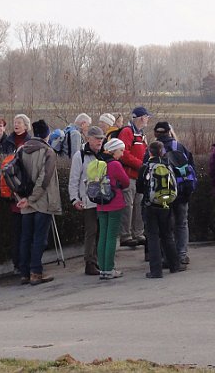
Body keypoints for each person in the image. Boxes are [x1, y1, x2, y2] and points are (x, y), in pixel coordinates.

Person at [16, 119, 61, 285]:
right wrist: (32, 199)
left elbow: (15, 176)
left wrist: (23, 199)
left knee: (25, 237)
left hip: (25, 202)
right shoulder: (48, 151)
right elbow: (45, 178)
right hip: (42, 201)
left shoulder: (21, 150)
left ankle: (24, 273)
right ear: (47, 134)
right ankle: (36, 272)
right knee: (39, 238)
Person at [151, 121, 195, 265]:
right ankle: (182, 254)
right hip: (181, 191)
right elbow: (191, 166)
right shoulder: (179, 146)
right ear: (170, 131)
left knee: (164, 225)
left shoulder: (152, 149)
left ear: (155, 133)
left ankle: (166, 256)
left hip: (161, 193)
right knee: (181, 223)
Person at [137, 141, 183, 278]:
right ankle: (175, 265)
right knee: (167, 235)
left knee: (152, 237)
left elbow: (139, 188)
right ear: (162, 152)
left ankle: (156, 271)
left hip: (150, 205)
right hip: (166, 204)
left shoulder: (145, 167)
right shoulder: (168, 165)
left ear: (149, 152)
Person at [69, 126, 106, 275]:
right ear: (89, 138)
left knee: (101, 231)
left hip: (104, 199)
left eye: (101, 138)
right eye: (97, 138)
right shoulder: (80, 155)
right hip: (88, 201)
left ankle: (99, 260)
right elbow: (74, 179)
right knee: (91, 231)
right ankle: (90, 262)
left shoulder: (104, 154)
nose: (99, 141)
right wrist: (74, 199)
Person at [0, 113, 31, 274]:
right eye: (14, 122)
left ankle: (26, 262)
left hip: (26, 193)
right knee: (17, 230)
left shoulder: (30, 142)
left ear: (26, 125)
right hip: (12, 193)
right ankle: (17, 263)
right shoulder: (8, 141)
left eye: (19, 122)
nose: (16, 125)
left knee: (27, 231)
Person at [97, 138, 132, 279]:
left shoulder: (99, 163)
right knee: (111, 236)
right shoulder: (115, 165)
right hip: (114, 203)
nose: (122, 154)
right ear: (113, 150)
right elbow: (126, 182)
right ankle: (110, 269)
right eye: (121, 150)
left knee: (103, 236)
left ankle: (102, 269)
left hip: (100, 203)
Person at [116, 107, 151, 246]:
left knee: (139, 205)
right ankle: (126, 235)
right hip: (129, 176)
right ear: (142, 117)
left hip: (139, 177)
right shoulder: (127, 131)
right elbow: (123, 153)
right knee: (128, 205)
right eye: (147, 117)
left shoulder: (141, 133)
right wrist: (141, 165)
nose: (148, 119)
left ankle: (138, 233)